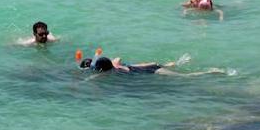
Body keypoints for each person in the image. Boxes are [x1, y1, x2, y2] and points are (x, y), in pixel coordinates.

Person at [80, 54, 226, 76]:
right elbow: (117, 57)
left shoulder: (115, 71)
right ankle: (180, 61)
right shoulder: (116, 64)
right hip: (152, 64)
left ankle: (210, 71)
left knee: (185, 76)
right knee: (172, 66)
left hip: (154, 71)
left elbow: (97, 77)